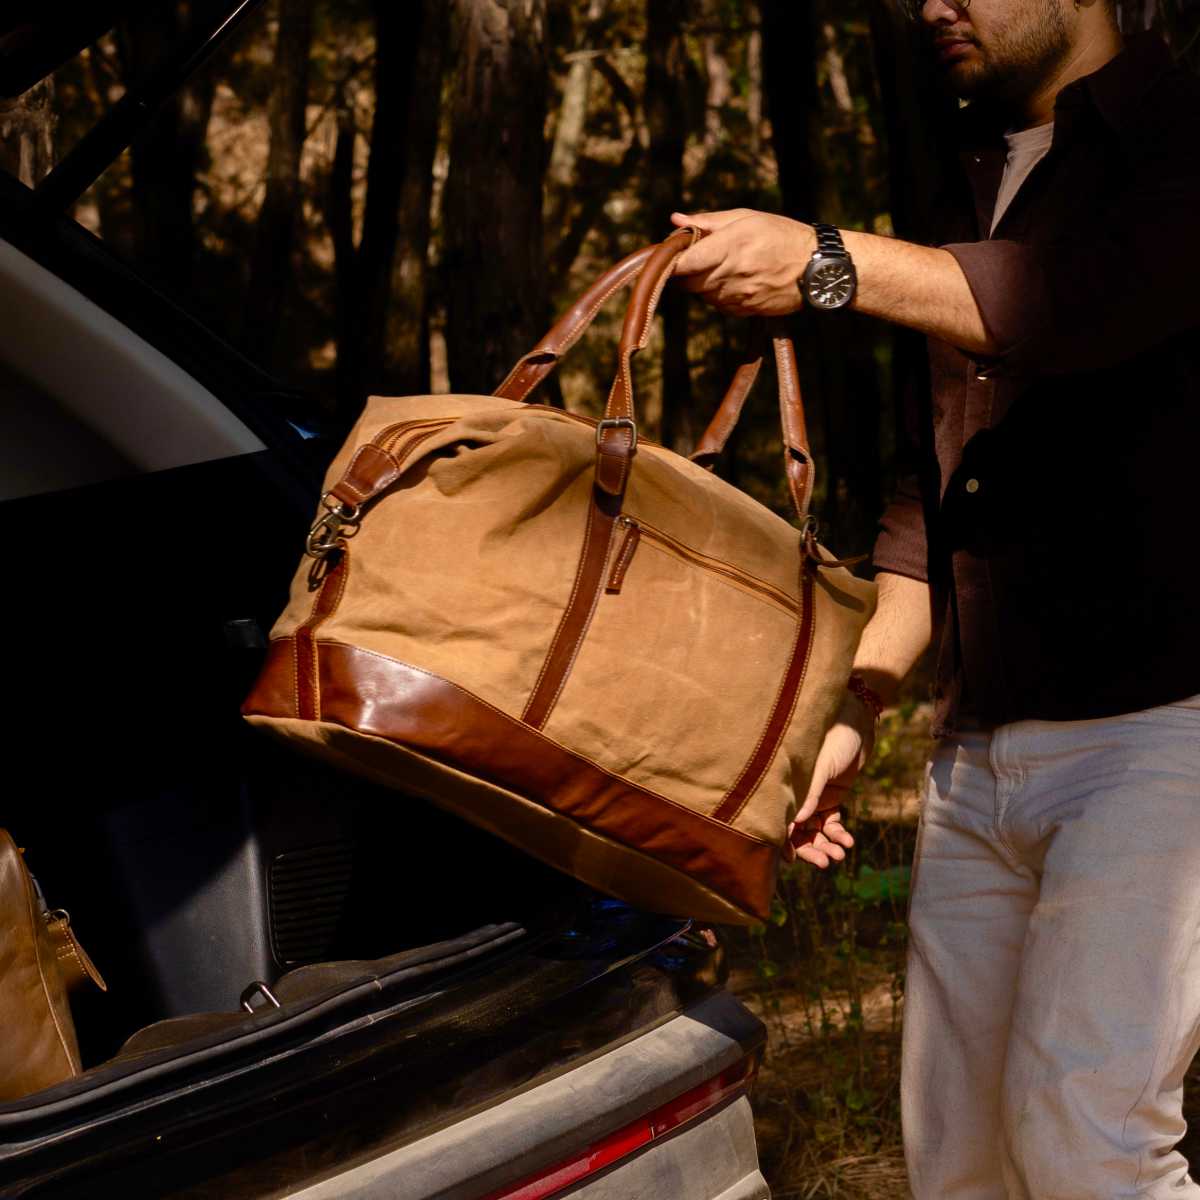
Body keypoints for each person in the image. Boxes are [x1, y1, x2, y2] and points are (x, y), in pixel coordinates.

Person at [670, 0, 1200, 1195]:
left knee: (1087, 1147)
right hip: (978, 755)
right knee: (957, 1158)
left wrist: (825, 260)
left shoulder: (1180, 134)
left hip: (1165, 735)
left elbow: (1078, 303)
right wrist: (852, 711)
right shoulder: (968, 172)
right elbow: (933, 497)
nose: (929, 5)